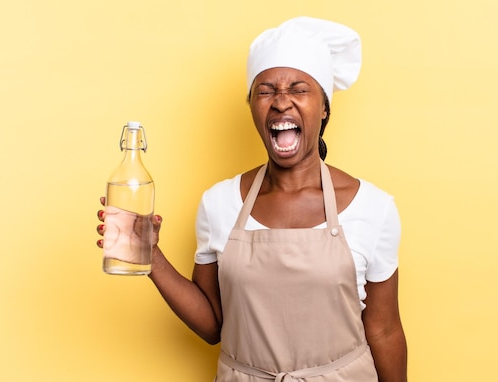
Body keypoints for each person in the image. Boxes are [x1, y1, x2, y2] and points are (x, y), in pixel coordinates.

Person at [96, 16, 407, 381]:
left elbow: (384, 331)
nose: (281, 102)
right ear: (252, 107)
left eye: (299, 88)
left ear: (323, 107)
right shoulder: (218, 204)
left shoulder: (373, 208)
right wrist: (151, 256)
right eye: (265, 90)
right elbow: (214, 325)